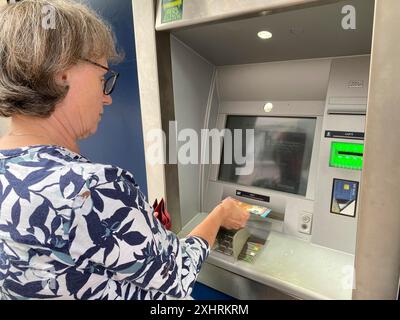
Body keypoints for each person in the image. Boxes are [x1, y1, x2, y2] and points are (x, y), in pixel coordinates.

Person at [0, 0, 249, 300]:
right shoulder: (92, 189)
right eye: (101, 78)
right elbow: (179, 273)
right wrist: (220, 213)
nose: (107, 99)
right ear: (62, 73)